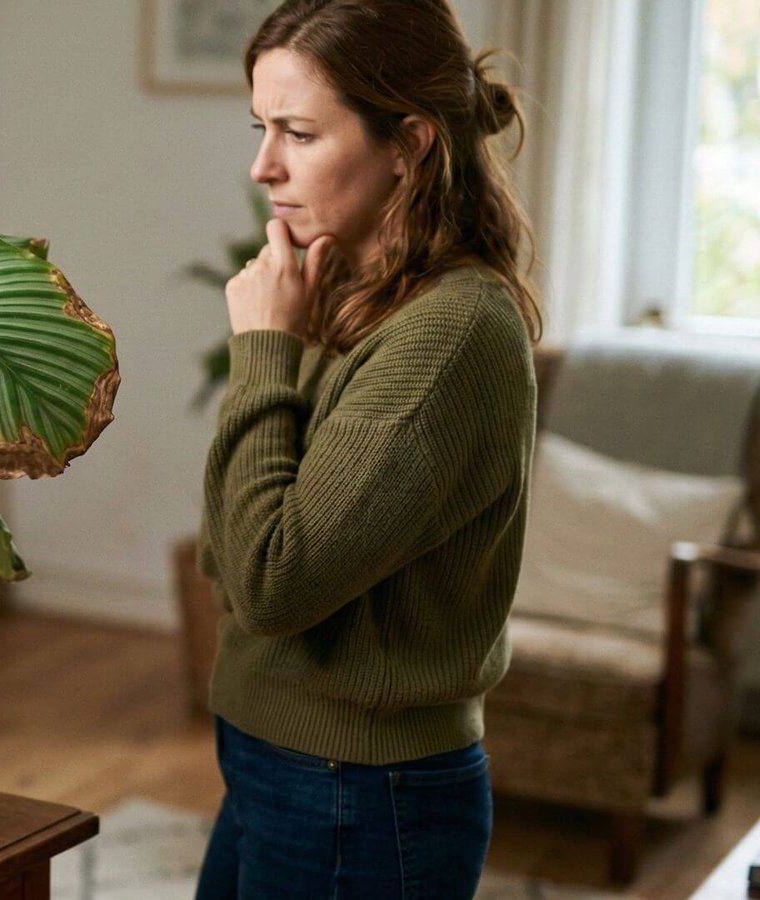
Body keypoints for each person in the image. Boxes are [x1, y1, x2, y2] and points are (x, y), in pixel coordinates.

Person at [193, 1, 541, 897]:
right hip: (283, 761)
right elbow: (229, 551)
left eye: (299, 133)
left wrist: (265, 351)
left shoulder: (452, 335)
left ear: (410, 143)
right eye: (261, 128)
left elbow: (269, 582)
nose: (262, 165)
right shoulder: (346, 290)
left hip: (357, 792)